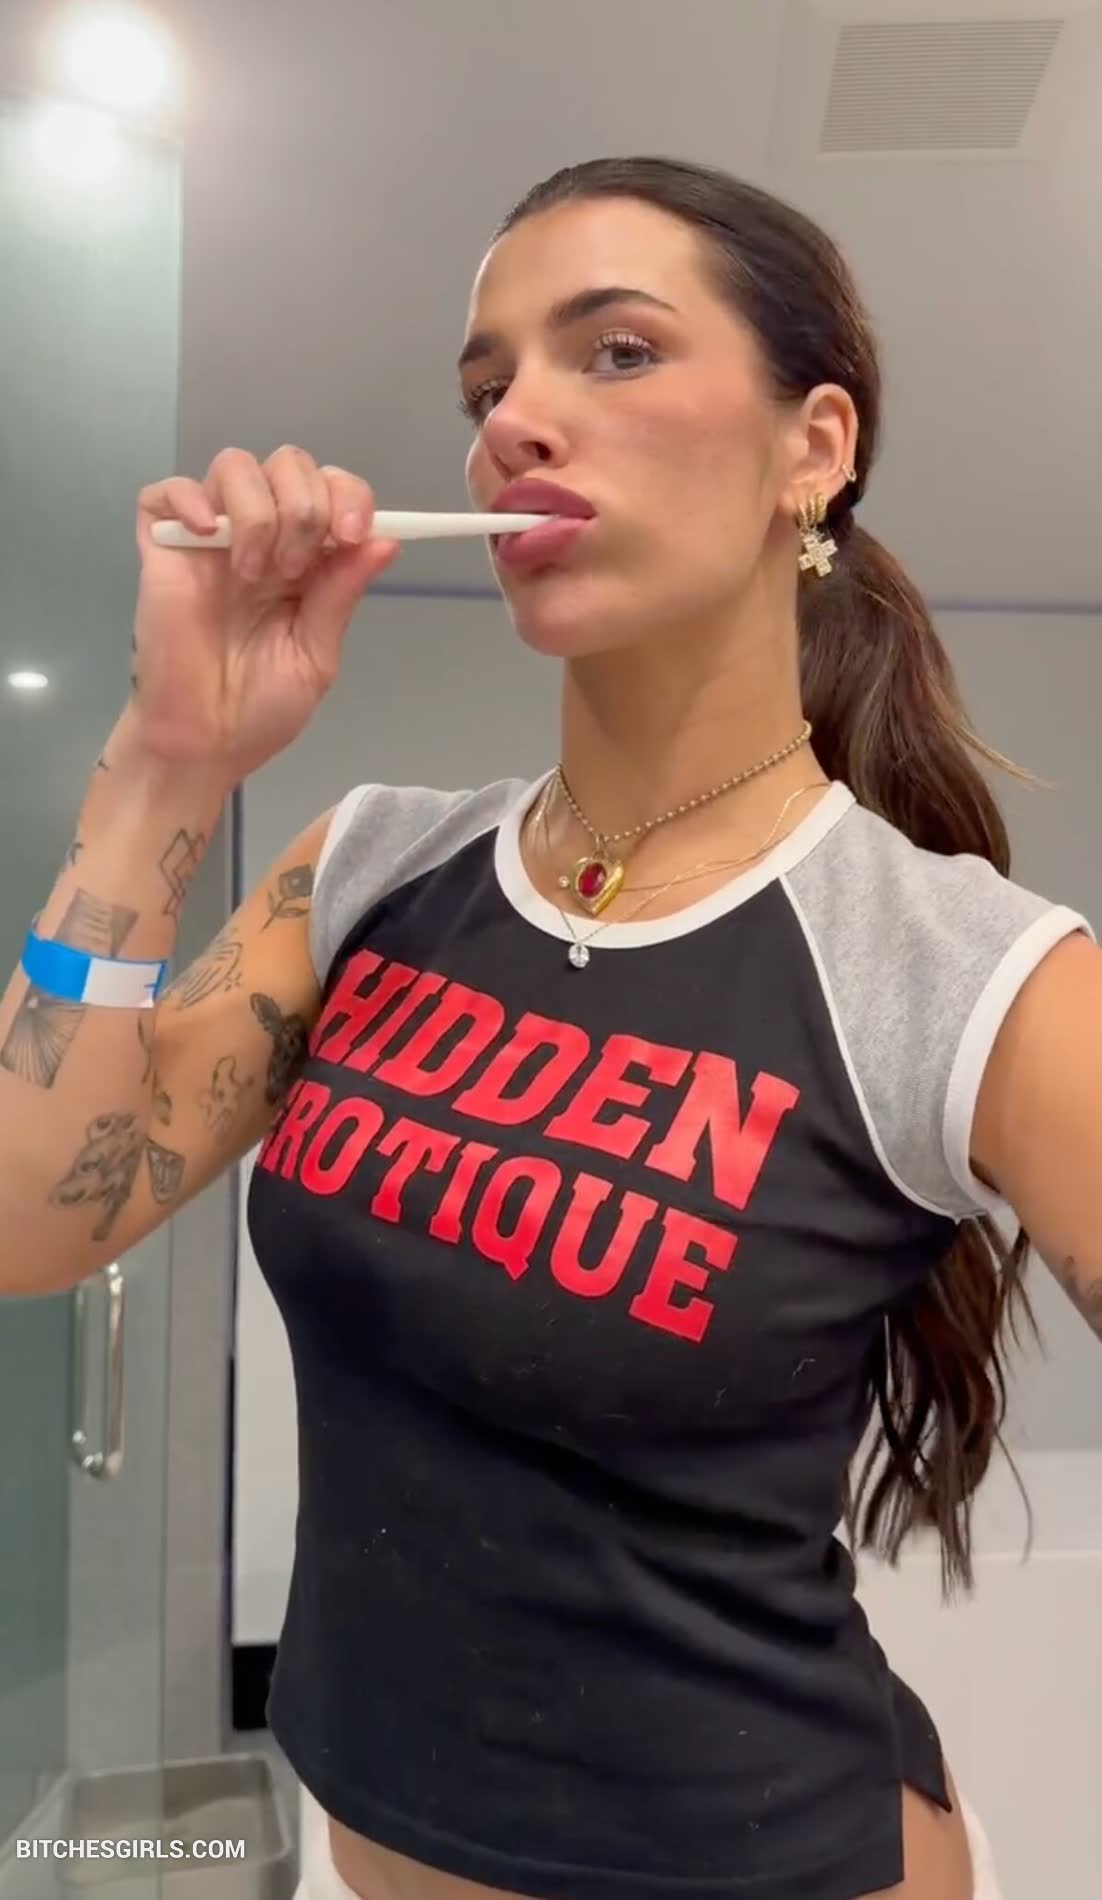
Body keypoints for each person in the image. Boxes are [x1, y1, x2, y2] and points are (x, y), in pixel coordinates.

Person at [1, 155, 1099, 1900]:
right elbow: (31, 1222)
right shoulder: (365, 871)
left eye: (616, 351)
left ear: (812, 447)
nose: (511, 422)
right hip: (368, 1835)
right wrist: (167, 762)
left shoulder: (974, 976)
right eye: (484, 386)